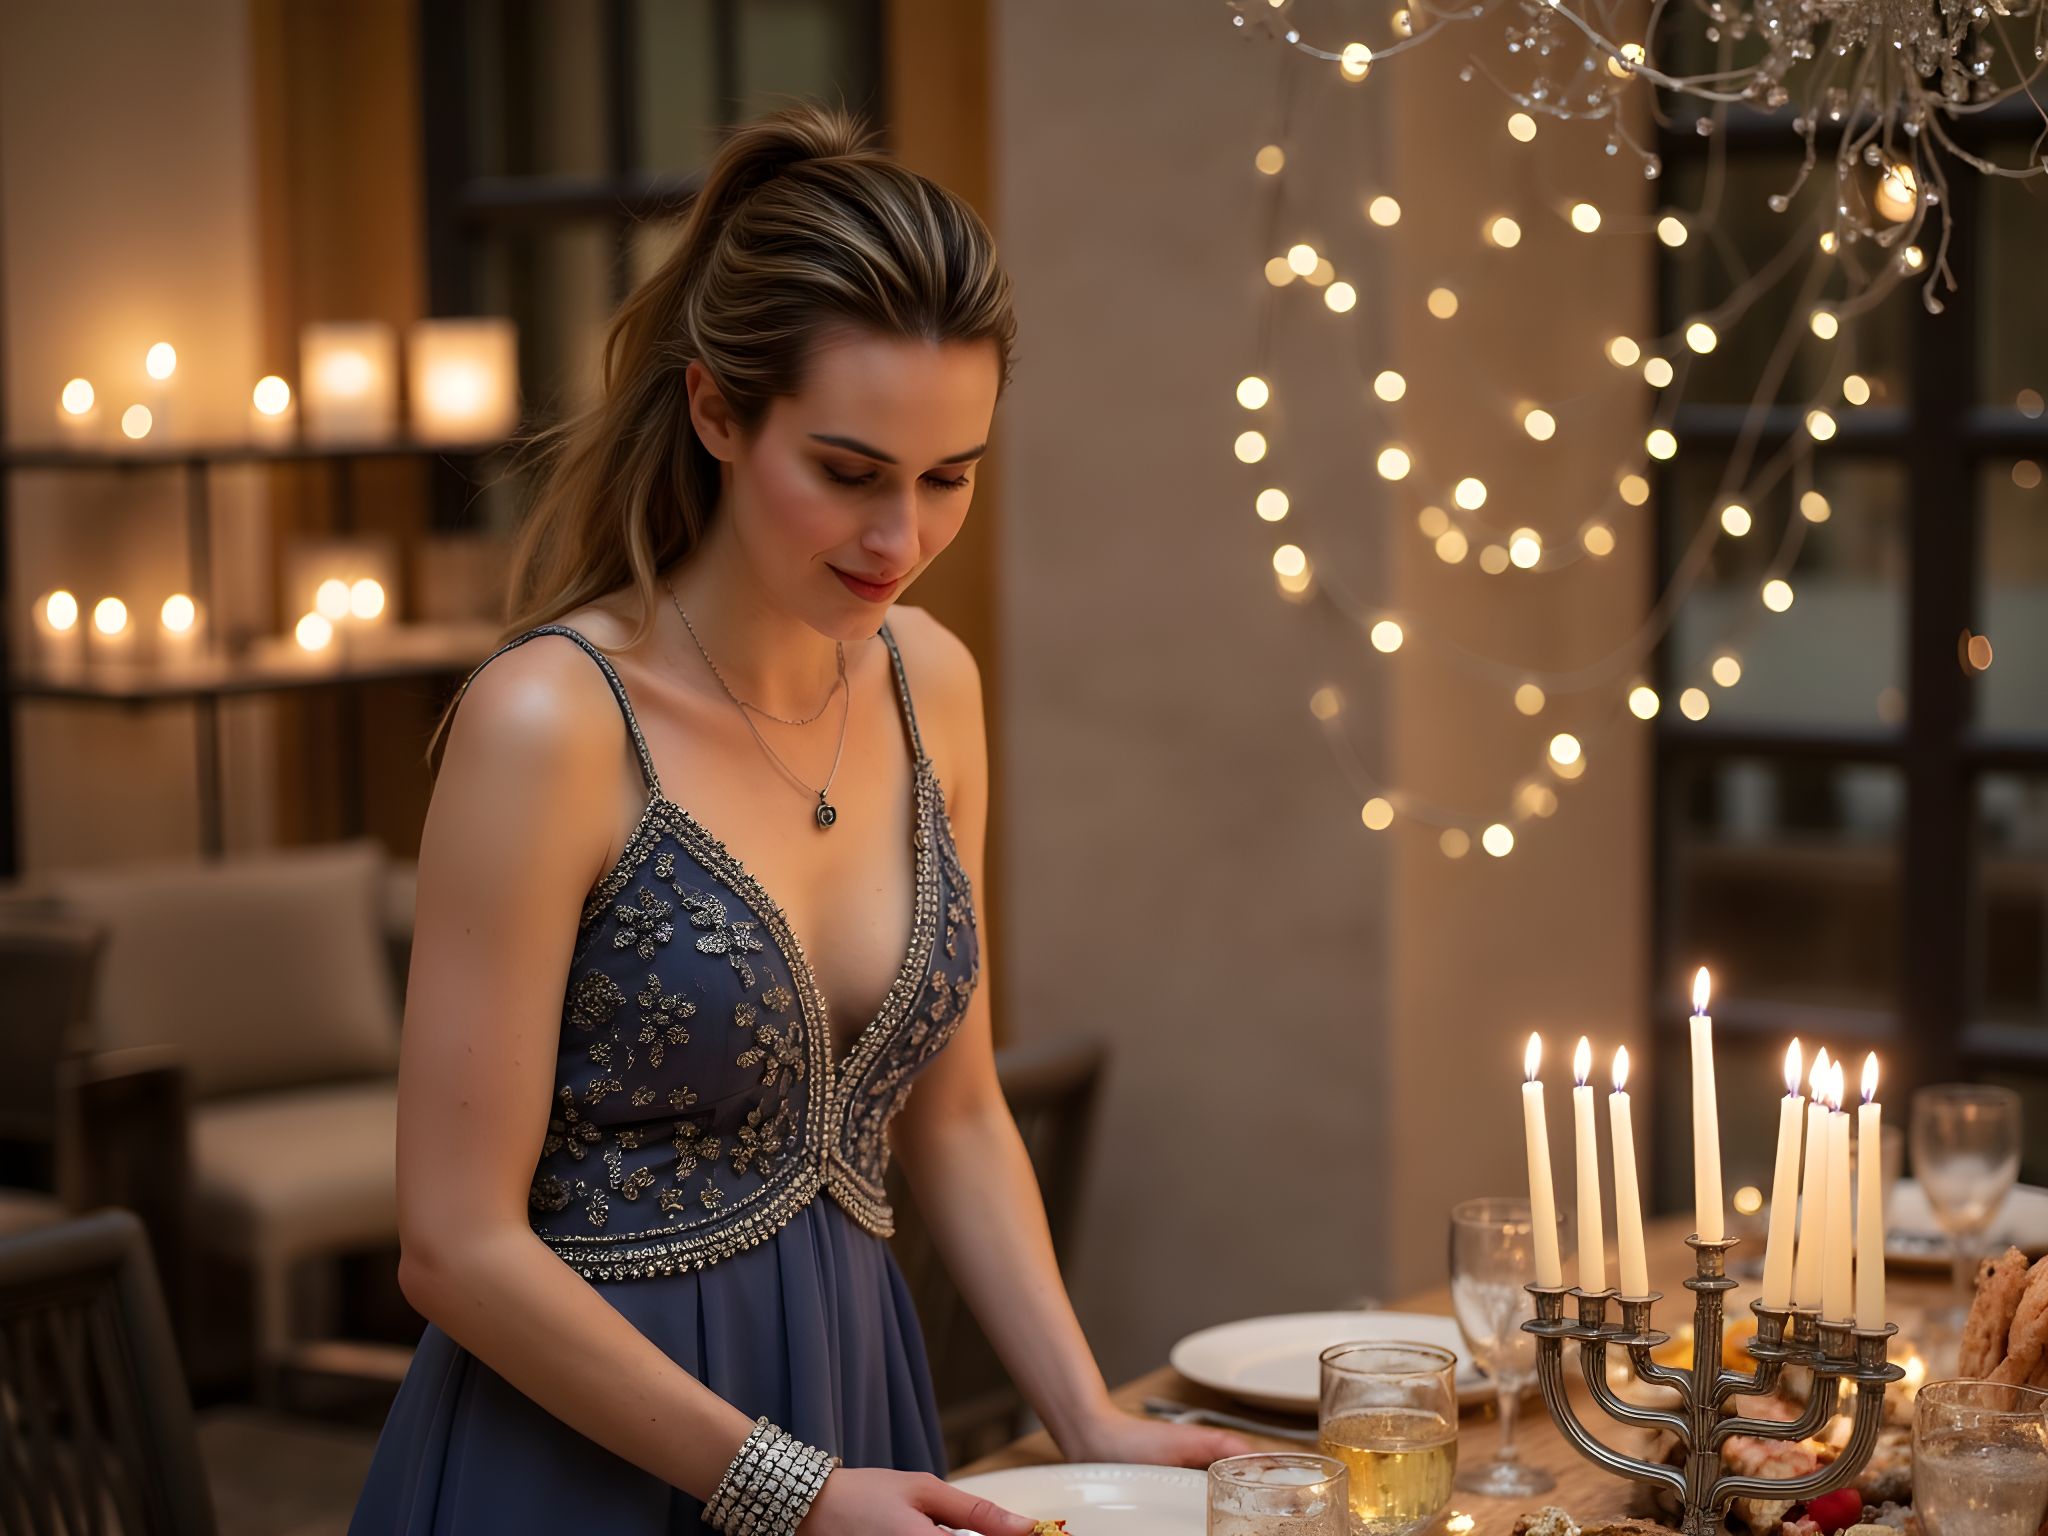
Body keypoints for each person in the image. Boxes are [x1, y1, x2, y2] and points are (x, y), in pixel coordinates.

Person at [349, 105, 1242, 1536]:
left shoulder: (931, 687)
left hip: (854, 1406)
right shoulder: (551, 722)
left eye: (948, 479)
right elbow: (453, 1247)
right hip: (586, 1461)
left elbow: (956, 1113)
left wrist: (1088, 1416)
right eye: (848, 471)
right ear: (716, 412)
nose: (901, 539)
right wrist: (787, 1489)